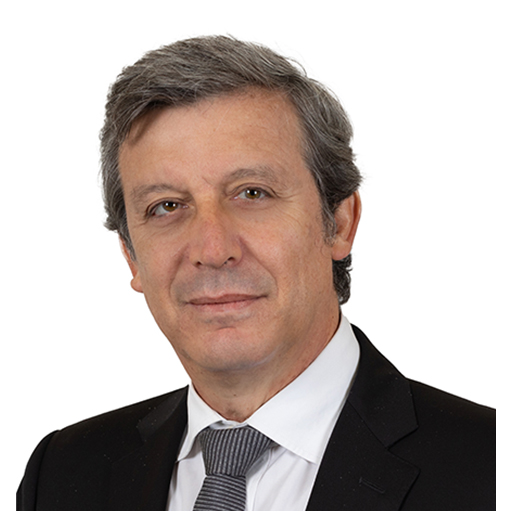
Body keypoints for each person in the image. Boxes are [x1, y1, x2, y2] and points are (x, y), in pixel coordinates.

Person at [17, 35, 495, 511]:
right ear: (130, 255)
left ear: (339, 223)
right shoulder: (61, 474)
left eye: (252, 193)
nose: (212, 250)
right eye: (167, 206)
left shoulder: (490, 468)